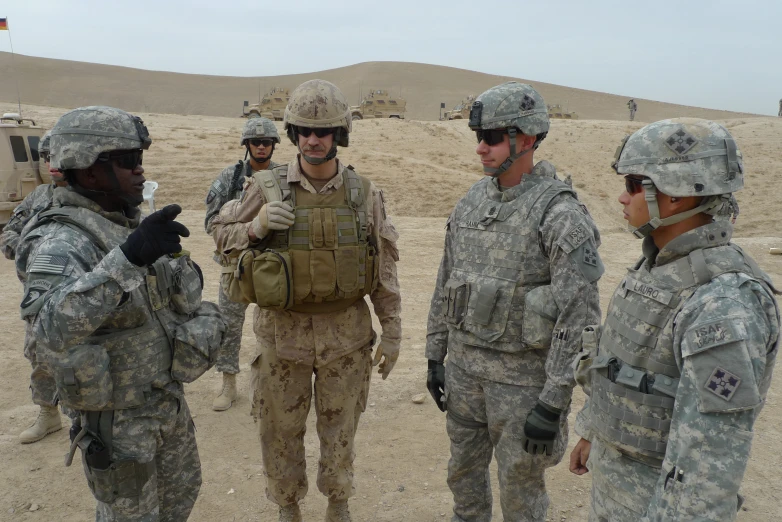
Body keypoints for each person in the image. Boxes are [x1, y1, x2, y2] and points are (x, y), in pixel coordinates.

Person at [17, 106, 225, 521]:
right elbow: (49, 330)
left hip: (165, 402)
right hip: (119, 423)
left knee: (180, 498)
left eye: (140, 159)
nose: (139, 171)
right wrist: (127, 260)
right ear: (88, 170)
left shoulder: (128, 224)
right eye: (128, 161)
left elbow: (181, 299)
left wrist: (177, 262)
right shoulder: (61, 240)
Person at [569, 118, 780, 522]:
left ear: (676, 196)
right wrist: (593, 431)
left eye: (633, 184)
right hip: (617, 486)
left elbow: (709, 464)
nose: (621, 197)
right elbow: (621, 365)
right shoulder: (660, 267)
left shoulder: (721, 302)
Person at [211, 79, 402, 522]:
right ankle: (287, 509)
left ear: (340, 135)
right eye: (304, 131)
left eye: (325, 131)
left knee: (340, 433)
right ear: (293, 134)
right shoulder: (264, 187)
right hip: (283, 339)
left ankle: (339, 504)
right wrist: (255, 228)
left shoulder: (364, 194)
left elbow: (384, 269)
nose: (314, 140)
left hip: (347, 340)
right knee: (279, 433)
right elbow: (220, 240)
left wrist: (392, 332)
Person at [425, 81, 603, 522]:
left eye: (491, 138)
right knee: (462, 479)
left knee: (521, 495)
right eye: (478, 138)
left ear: (525, 139)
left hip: (522, 387)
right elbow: (445, 281)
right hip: (465, 375)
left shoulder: (559, 215)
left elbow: (579, 316)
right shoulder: (470, 203)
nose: (481, 149)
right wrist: (435, 355)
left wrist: (553, 400)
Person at [1, 131, 73, 443]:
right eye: (46, 157)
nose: (51, 163)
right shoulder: (38, 198)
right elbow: (8, 235)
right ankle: (48, 413)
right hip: (40, 298)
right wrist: (35, 254)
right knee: (38, 355)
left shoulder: (98, 198)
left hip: (82, 297)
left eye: (57, 157)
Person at [205, 117, 281, 411]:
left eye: (266, 143)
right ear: (246, 145)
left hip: (273, 264)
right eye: (255, 142)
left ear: (273, 145)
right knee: (229, 324)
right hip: (235, 266)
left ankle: (274, 382)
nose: (261, 147)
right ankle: (228, 382)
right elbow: (211, 223)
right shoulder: (229, 178)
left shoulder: (285, 176)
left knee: (276, 326)